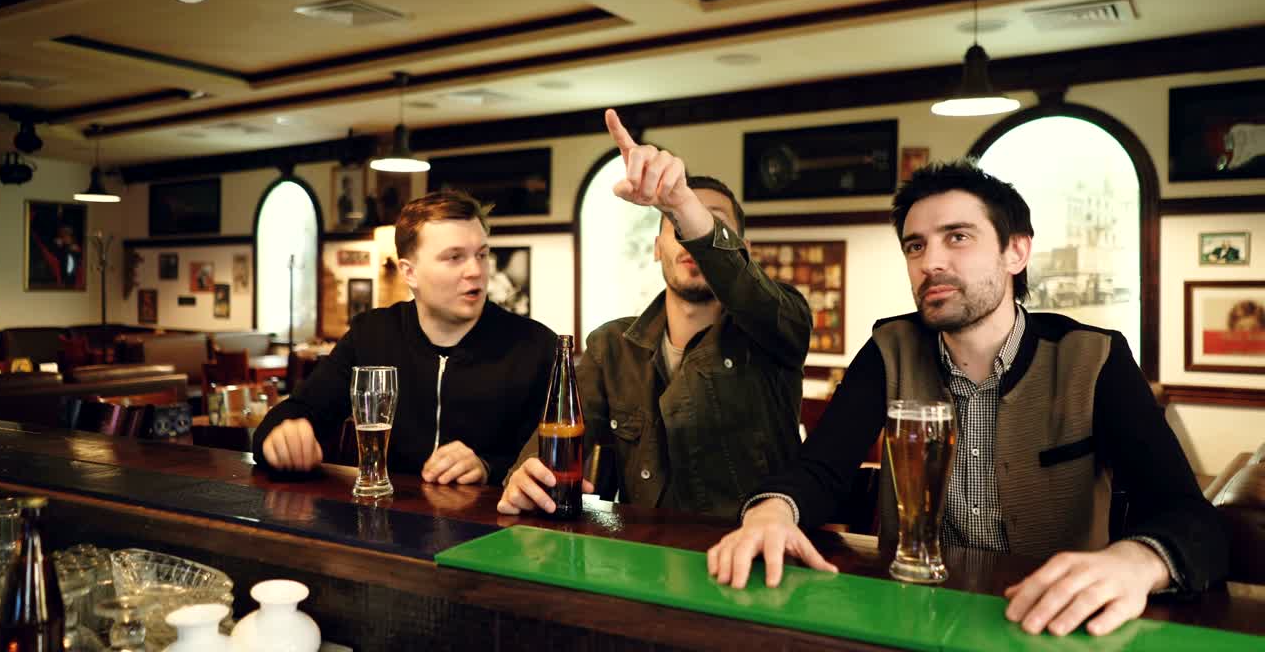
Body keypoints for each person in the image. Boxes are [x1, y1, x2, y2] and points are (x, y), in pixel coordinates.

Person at [708, 160, 1227, 637]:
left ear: (1016, 251)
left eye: (957, 237)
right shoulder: (890, 348)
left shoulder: (1094, 357)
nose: (930, 261)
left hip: (1053, 626)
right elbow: (820, 469)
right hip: (914, 617)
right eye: (915, 246)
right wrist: (771, 513)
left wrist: (1135, 562)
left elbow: (1190, 515)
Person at [498, 109, 811, 519]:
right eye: (674, 226)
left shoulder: (778, 327)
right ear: (656, 247)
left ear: (743, 251)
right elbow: (550, 448)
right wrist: (524, 479)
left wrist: (684, 206)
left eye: (705, 223)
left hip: (753, 556)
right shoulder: (611, 347)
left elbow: (757, 298)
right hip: (641, 560)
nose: (687, 237)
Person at [252, 190, 558, 486]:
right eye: (454, 257)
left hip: (496, 529)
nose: (475, 271)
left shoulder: (536, 347)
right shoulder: (371, 335)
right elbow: (298, 411)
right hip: (386, 524)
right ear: (409, 272)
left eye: (481, 255)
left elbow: (555, 460)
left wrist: (488, 466)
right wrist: (281, 436)